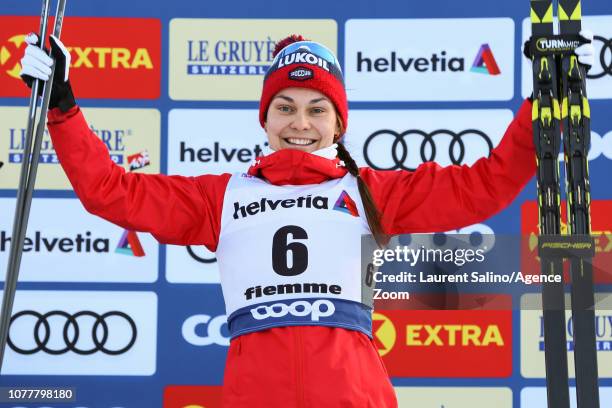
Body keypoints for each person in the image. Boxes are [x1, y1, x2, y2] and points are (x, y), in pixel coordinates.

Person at [20, 31, 594, 407]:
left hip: (354, 393)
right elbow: (110, 192)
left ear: (338, 123)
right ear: (264, 120)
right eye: (285, 107)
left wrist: (540, 104)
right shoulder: (223, 195)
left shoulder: (370, 191)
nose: (301, 122)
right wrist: (63, 106)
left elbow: (484, 184)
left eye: (317, 109)